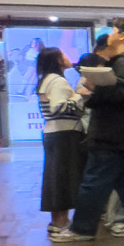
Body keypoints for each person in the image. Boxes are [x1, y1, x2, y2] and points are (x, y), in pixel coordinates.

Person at [52, 18, 124, 242]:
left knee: (93, 181)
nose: (109, 35)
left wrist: (95, 88)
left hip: (114, 135)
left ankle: (82, 229)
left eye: (113, 31)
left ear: (122, 36)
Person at [36, 48, 85, 231]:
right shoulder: (58, 81)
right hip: (65, 134)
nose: (67, 57)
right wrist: (80, 96)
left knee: (55, 177)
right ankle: (61, 223)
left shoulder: (46, 79)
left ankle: (56, 221)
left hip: (53, 133)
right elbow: (59, 108)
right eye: (63, 55)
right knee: (64, 178)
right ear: (57, 60)